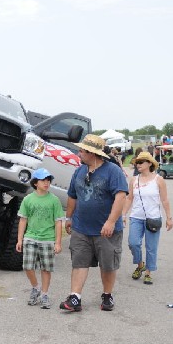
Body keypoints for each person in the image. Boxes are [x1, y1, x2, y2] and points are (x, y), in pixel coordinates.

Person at [60, 134, 128, 313]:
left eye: (82, 150)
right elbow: (72, 195)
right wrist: (69, 218)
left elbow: (120, 196)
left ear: (93, 153)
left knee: (108, 264)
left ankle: (107, 295)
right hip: (81, 228)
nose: (79, 152)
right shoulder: (79, 171)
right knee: (79, 261)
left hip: (106, 230)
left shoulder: (113, 171)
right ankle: (75, 297)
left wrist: (111, 222)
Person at [16, 168, 63, 309]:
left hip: (48, 238)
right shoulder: (28, 199)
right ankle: (35, 287)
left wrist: (58, 242)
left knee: (46, 268)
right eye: (43, 180)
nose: (46, 183)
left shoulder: (54, 200)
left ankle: (44, 294)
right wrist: (20, 239)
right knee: (28, 266)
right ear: (35, 183)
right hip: (30, 237)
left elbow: (58, 221)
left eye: (48, 180)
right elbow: (23, 220)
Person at [122, 152, 173, 285]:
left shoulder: (158, 180)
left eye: (141, 162)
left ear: (149, 163)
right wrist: (123, 214)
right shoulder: (134, 180)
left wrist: (169, 218)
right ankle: (140, 265)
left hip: (153, 218)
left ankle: (148, 272)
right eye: (137, 162)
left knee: (151, 247)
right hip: (136, 217)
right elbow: (129, 198)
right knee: (133, 243)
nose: (138, 164)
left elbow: (165, 200)